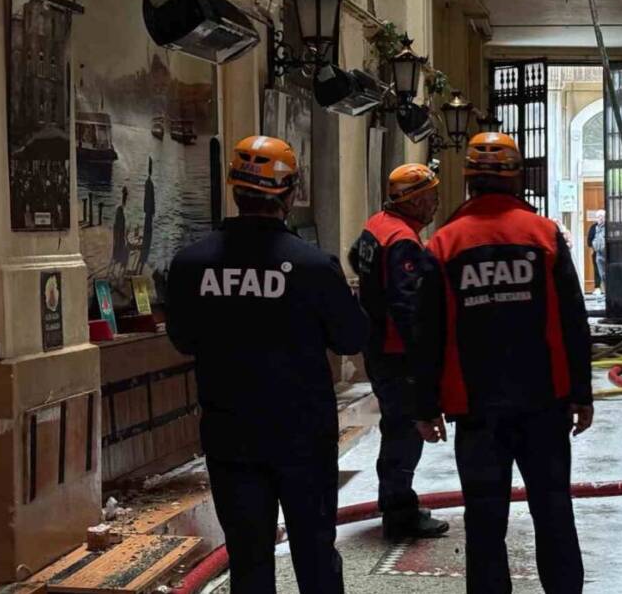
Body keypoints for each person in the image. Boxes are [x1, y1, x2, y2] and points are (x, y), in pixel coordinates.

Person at [166, 135, 367, 593]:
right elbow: (352, 337)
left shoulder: (191, 265)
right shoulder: (314, 265)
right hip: (303, 437)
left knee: (249, 559)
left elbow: (183, 339)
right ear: (290, 193)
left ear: (235, 191)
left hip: (230, 436)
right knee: (314, 553)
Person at [413, 132, 594, 594]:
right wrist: (581, 393)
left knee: (485, 522)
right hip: (544, 403)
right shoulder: (545, 235)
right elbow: (574, 320)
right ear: (517, 179)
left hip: (475, 410)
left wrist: (424, 405)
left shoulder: (444, 244)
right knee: (553, 511)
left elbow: (427, 333)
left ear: (468, 180)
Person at [348, 164, 450, 542]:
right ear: (416, 199)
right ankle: (399, 512)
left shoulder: (377, 224)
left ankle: (396, 502)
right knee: (404, 434)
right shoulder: (403, 241)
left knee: (395, 428)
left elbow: (354, 255)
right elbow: (410, 310)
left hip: (376, 346)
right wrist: (426, 362)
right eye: (432, 197)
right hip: (396, 353)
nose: (436, 203)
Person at [139, 157, 156, 273]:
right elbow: (151, 198)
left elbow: (147, 197)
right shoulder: (150, 183)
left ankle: (144, 253)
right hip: (149, 210)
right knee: (148, 230)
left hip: (147, 209)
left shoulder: (147, 182)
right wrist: (151, 209)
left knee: (147, 228)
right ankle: (145, 253)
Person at [587, 209, 607, 296]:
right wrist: (594, 246)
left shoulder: (608, 227)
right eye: (599, 216)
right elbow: (589, 240)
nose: (601, 218)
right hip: (597, 252)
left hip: (607, 253)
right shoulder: (593, 227)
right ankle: (598, 288)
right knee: (599, 271)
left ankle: (608, 289)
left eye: (602, 216)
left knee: (607, 271)